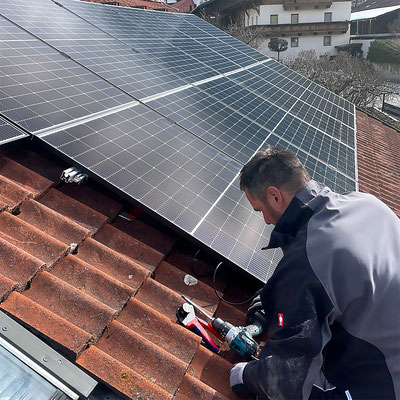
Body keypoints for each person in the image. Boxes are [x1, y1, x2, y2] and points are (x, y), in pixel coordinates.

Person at [229, 146, 400, 400]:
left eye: (260, 209)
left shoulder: (306, 261)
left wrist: (245, 375)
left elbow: (286, 383)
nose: (265, 220)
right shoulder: (368, 203)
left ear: (275, 196)